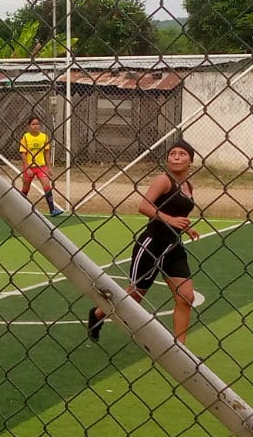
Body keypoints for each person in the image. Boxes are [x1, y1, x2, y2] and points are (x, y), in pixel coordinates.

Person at [86, 138, 201, 345]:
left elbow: (176, 213)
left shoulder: (188, 186)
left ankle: (180, 349)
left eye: (182, 154)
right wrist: (171, 220)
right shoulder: (163, 180)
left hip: (173, 247)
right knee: (135, 297)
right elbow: (144, 206)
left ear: (190, 161)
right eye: (172, 154)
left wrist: (186, 227)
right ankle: (98, 314)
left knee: (186, 297)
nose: (176, 157)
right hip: (152, 244)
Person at [18, 116, 64, 217]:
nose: (35, 126)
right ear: (29, 126)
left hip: (41, 167)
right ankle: (18, 208)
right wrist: (27, 168)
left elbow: (47, 152)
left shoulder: (44, 137)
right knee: (25, 188)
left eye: (37, 124)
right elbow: (23, 153)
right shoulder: (25, 137)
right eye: (33, 124)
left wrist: (49, 167)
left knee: (47, 186)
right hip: (29, 167)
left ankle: (52, 210)